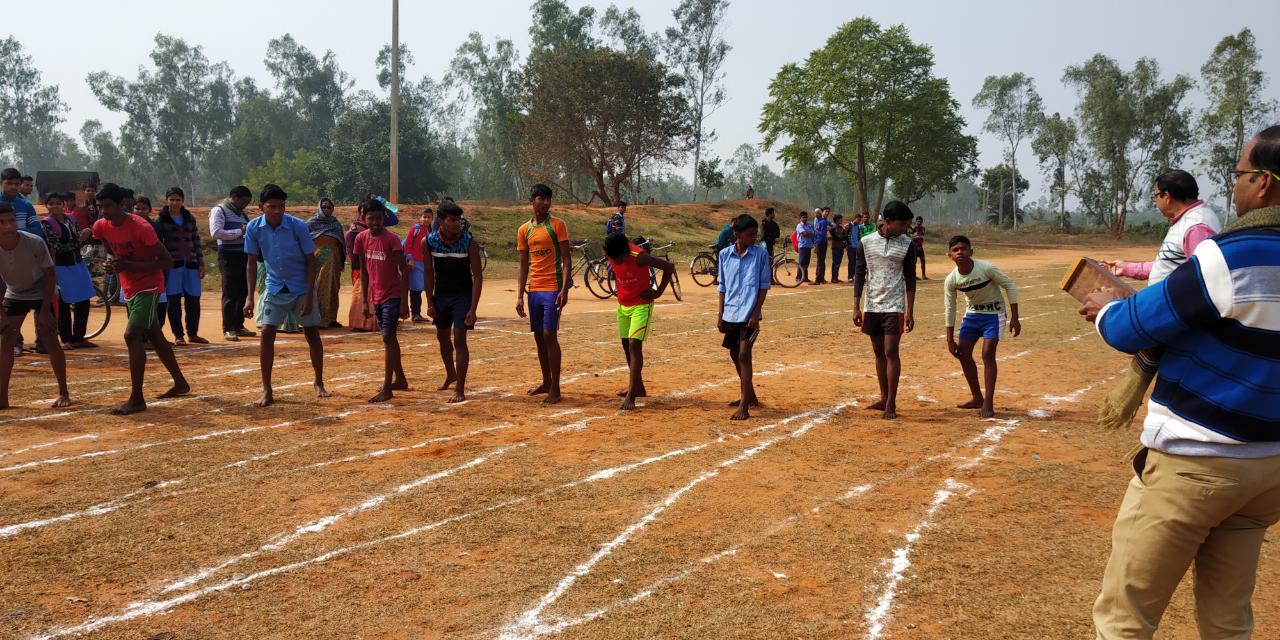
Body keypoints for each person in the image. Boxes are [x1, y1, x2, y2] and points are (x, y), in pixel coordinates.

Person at [1080, 126, 1280, 640]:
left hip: (1198, 462)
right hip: (1268, 469)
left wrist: (1105, 309)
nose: (1232, 185)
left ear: (1263, 183)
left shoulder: (1233, 253)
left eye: (1238, 173)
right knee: (1228, 621)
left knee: (1125, 620)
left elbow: (1132, 328)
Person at [91, 183, 189, 414]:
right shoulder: (101, 226)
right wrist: (112, 264)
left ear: (122, 204)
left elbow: (166, 261)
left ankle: (137, 399)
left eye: (108, 206)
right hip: (129, 286)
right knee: (155, 335)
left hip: (150, 285)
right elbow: (111, 251)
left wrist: (129, 265)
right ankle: (180, 383)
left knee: (132, 335)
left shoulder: (141, 227)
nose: (104, 211)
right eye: (100, 206)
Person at [243, 184, 329, 407]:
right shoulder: (253, 228)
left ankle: (319, 381)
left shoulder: (297, 226)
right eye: (272, 207)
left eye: (281, 206)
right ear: (261, 207)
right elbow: (251, 263)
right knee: (266, 333)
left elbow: (311, 261)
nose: (277, 211)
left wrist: (309, 296)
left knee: (311, 333)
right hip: (274, 287)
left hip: (301, 287)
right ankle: (267, 389)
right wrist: (250, 297)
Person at [853, 200, 919, 420]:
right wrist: (856, 306)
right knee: (878, 352)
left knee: (891, 351)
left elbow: (910, 277)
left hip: (895, 305)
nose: (905, 228)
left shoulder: (907, 244)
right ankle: (883, 397)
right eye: (902, 224)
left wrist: (909, 311)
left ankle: (891, 401)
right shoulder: (865, 242)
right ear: (888, 221)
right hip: (872, 305)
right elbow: (859, 274)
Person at [0, 204, 70, 408]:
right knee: (6, 340)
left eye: (11, 221)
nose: (8, 226)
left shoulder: (34, 242)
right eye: (2, 222)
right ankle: (2, 398)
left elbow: (50, 275)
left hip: (43, 291)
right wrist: (1, 315)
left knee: (49, 338)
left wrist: (45, 311)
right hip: (15, 293)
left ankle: (64, 392)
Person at [943, 235, 1020, 418]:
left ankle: (988, 403)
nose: (960, 252)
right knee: (963, 354)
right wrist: (949, 339)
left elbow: (1009, 285)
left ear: (971, 251)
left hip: (994, 314)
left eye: (963, 249)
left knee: (987, 354)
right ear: (950, 256)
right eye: (955, 250)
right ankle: (977, 397)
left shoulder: (986, 268)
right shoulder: (951, 280)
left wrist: (1015, 318)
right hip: (972, 316)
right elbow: (950, 307)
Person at [1102, 169, 1221, 283]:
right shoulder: (1188, 220)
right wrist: (1126, 268)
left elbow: (1204, 275)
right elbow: (1167, 265)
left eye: (1156, 196)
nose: (1155, 202)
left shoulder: (1196, 227)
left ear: (1167, 197)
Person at [516, 183, 572, 405]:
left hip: (552, 288)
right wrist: (519, 295)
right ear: (532, 201)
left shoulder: (558, 225)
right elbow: (523, 264)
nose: (546, 203)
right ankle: (546, 382)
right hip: (534, 290)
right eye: (541, 198)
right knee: (539, 337)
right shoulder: (524, 230)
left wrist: (564, 289)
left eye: (548, 199)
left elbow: (566, 260)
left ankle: (556, 388)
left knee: (550, 335)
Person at [604, 232, 674, 411]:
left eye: (619, 259)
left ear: (626, 252)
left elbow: (669, 267)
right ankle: (638, 387)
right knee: (626, 344)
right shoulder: (611, 251)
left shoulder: (639, 256)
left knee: (634, 345)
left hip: (641, 305)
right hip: (623, 305)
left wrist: (658, 293)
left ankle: (631, 395)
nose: (616, 262)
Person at [423, 201, 484, 403]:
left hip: (462, 296)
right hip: (441, 296)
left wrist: (473, 308)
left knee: (459, 339)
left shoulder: (469, 243)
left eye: (459, 220)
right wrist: (429, 301)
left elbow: (477, 276)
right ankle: (451, 373)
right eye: (452, 220)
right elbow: (428, 272)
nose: (457, 223)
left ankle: (460, 388)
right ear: (441, 221)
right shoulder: (429, 242)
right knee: (442, 336)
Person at [353, 200, 409, 403]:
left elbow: (404, 270)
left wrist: (404, 302)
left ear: (384, 218)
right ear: (364, 219)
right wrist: (365, 301)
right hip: (376, 295)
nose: (375, 222)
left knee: (387, 337)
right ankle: (400, 379)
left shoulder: (392, 240)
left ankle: (387, 387)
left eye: (378, 218)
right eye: (371, 218)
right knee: (390, 338)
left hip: (392, 295)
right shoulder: (361, 238)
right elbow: (364, 270)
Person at [718, 214, 771, 421]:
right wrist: (720, 314)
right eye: (750, 234)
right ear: (737, 234)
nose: (754, 238)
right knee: (734, 354)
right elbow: (722, 287)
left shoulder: (760, 254)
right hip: (731, 313)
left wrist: (756, 314)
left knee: (743, 354)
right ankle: (751, 396)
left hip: (750, 315)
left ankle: (744, 404)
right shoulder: (724, 255)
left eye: (755, 234)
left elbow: (764, 286)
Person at [40, 192, 97, 349]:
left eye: (58, 203)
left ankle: (79, 337)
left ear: (63, 204)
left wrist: (83, 235)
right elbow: (56, 247)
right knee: (63, 302)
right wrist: (80, 239)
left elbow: (77, 238)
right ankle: (66, 338)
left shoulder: (71, 218)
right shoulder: (46, 223)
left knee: (83, 300)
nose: (55, 206)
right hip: (60, 267)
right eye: (51, 203)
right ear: (47, 206)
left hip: (77, 263)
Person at [154, 187, 206, 345]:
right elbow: (157, 243)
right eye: (172, 199)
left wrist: (201, 263)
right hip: (172, 266)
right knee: (173, 300)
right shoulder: (161, 219)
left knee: (194, 299)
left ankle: (193, 333)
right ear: (167, 201)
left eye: (178, 199)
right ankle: (178, 335)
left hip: (191, 264)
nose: (175, 202)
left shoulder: (189, 217)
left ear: (182, 201)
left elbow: (196, 241)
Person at [210, 186, 256, 341]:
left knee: (242, 291)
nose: (245, 205)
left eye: (247, 203)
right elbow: (216, 233)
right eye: (243, 202)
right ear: (234, 197)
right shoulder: (219, 211)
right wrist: (240, 231)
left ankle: (238, 325)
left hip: (243, 255)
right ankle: (228, 328)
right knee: (230, 292)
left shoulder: (242, 214)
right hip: (228, 256)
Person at [306, 197, 346, 329]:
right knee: (318, 286)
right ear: (319, 208)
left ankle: (331, 318)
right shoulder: (311, 223)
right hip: (318, 260)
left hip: (334, 260)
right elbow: (303, 241)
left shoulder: (336, 224)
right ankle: (318, 319)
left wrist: (341, 261)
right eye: (324, 207)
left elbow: (341, 244)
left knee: (333, 288)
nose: (326, 209)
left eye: (329, 207)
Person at [344, 204, 379, 332]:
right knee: (360, 294)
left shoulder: (381, 231)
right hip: (360, 266)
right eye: (364, 213)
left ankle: (373, 322)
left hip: (377, 269)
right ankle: (359, 322)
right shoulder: (357, 230)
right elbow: (352, 248)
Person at [403, 207, 432, 323]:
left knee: (420, 288)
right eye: (424, 217)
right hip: (414, 263)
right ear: (420, 217)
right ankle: (415, 313)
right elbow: (407, 244)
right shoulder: (416, 229)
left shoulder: (430, 231)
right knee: (415, 289)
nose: (426, 219)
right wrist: (409, 258)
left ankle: (417, 313)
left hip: (424, 263)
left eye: (429, 217)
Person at [828, 213, 850, 284]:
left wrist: (846, 230)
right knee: (835, 263)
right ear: (836, 220)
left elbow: (845, 236)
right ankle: (834, 278)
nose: (841, 220)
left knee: (838, 263)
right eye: (840, 219)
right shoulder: (833, 228)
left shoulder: (840, 228)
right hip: (836, 247)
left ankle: (836, 277)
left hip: (840, 247)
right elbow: (839, 236)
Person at [794, 210, 814, 284]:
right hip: (802, 246)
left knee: (807, 263)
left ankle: (805, 277)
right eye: (803, 217)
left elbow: (812, 234)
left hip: (808, 246)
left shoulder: (808, 226)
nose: (805, 219)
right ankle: (798, 277)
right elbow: (805, 233)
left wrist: (807, 234)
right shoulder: (799, 226)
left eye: (806, 217)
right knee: (801, 262)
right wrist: (808, 234)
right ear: (800, 218)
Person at [812, 207, 831, 284]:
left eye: (817, 213)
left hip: (821, 243)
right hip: (821, 242)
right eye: (815, 213)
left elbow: (822, 234)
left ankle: (817, 280)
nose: (816, 214)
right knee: (821, 261)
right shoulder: (819, 221)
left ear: (820, 213)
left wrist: (816, 244)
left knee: (820, 261)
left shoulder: (822, 222)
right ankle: (821, 278)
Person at [911, 216, 928, 280]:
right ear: (916, 221)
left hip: (920, 247)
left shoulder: (923, 228)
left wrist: (918, 237)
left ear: (922, 221)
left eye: (920, 221)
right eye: (918, 221)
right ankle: (914, 276)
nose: (919, 222)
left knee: (923, 261)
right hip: (915, 247)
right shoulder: (913, 228)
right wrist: (917, 237)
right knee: (914, 262)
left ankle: (923, 275)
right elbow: (912, 237)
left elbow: (922, 236)